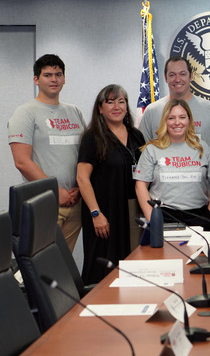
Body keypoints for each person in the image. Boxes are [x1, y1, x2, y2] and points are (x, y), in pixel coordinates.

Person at [8, 54, 85, 252]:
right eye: (47, 75)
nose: (54, 79)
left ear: (64, 78)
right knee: (38, 265)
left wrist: (79, 187)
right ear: (36, 79)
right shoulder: (25, 113)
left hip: (74, 203)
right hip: (44, 202)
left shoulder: (74, 111)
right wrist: (54, 190)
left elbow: (83, 154)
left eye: (58, 74)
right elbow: (22, 162)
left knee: (61, 264)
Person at [76, 85, 146, 285]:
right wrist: (96, 214)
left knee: (131, 264)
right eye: (110, 101)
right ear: (100, 108)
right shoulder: (93, 137)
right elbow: (82, 178)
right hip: (103, 213)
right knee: (103, 267)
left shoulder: (136, 135)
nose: (117, 106)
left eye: (121, 101)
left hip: (131, 212)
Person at [134, 99, 210, 229]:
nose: (177, 122)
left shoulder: (203, 147)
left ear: (189, 121)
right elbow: (140, 185)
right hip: (164, 216)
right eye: (171, 118)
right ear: (165, 121)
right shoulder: (152, 149)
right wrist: (152, 217)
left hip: (199, 216)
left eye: (182, 117)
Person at [138, 56, 210, 146]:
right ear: (165, 78)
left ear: (191, 76)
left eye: (182, 74)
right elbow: (142, 149)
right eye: (172, 75)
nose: (177, 79)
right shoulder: (152, 111)